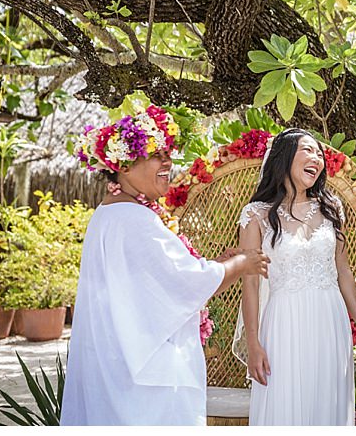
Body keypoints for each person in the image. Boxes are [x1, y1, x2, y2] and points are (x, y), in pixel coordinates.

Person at [61, 105, 270, 425]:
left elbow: (171, 283)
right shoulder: (132, 219)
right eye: (157, 155)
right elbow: (187, 283)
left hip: (120, 365)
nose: (168, 162)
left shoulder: (112, 213)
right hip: (140, 379)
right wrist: (242, 262)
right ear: (125, 166)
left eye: (168, 153)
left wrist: (216, 265)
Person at [233, 128, 356, 425]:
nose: (317, 158)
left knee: (327, 402)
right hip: (284, 323)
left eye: (320, 153)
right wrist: (254, 343)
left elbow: (343, 270)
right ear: (284, 158)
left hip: (329, 320)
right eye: (308, 150)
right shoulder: (256, 215)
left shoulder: (332, 208)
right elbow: (251, 283)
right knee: (285, 404)